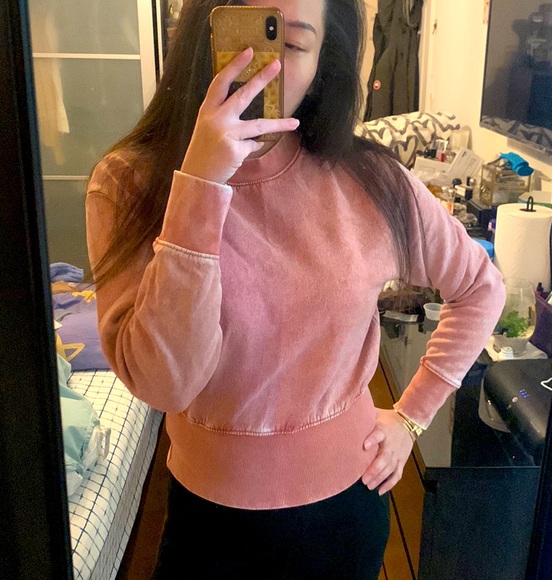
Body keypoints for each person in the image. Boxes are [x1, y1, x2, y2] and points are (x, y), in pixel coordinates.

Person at [85, 0, 505, 577]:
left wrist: (412, 416)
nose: (262, 65)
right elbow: (165, 384)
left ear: (322, 63)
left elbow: (480, 287)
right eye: (248, 35)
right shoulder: (130, 183)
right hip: (205, 523)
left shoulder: (370, 179)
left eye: (293, 43)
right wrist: (200, 185)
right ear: (203, 35)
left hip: (343, 515)